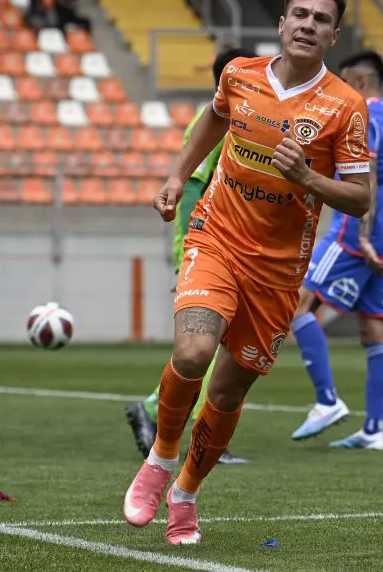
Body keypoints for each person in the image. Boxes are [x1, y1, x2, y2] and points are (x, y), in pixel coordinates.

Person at [121, 0, 371, 545]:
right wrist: (176, 175)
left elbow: (361, 199)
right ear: (282, 24)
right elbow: (214, 117)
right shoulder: (240, 76)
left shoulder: (346, 108)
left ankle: (185, 491)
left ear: (332, 36)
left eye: (322, 19)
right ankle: (160, 458)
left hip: (279, 272)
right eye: (300, 14)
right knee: (193, 350)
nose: (308, 24)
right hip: (217, 238)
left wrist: (307, 177)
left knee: (228, 393)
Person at [124, 47, 255, 466]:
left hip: (235, 248)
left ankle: (152, 409)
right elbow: (191, 188)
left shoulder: (246, 118)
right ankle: (198, 433)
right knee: (211, 343)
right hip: (207, 245)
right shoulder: (220, 120)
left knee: (219, 344)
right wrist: (189, 245)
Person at [289, 50, 383, 449]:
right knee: (374, 328)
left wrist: (364, 234)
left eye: (344, 82)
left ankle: (327, 401)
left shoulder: (364, 116)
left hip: (352, 235)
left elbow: (368, 179)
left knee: (297, 303)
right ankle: (374, 430)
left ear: (360, 83)